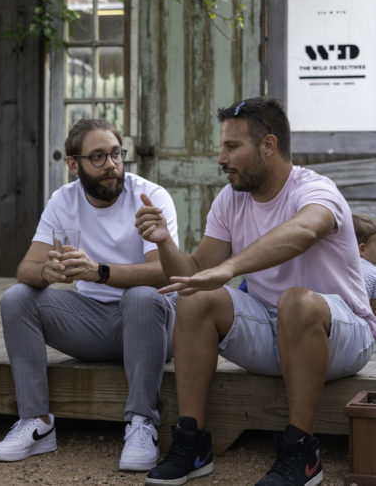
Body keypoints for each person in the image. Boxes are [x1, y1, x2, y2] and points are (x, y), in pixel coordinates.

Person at [135, 97, 376, 486]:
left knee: (296, 301)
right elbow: (194, 273)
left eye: (232, 147)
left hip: (343, 336)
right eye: (222, 147)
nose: (220, 158)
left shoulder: (316, 190)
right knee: (194, 295)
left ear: (268, 145)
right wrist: (164, 243)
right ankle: (192, 443)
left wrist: (229, 268)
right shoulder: (231, 199)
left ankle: (302, 453)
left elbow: (302, 232)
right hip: (271, 330)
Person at [0, 118, 179, 472]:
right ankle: (37, 422)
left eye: (116, 154)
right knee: (17, 298)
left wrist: (100, 272)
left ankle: (142, 423)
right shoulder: (63, 200)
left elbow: (166, 274)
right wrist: (47, 272)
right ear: (73, 164)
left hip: (151, 325)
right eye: (99, 157)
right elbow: (25, 269)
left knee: (140, 297)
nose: (111, 165)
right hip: (92, 321)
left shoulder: (150, 196)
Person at [353, 213, 376, 315]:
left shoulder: (336, 267)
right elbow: (374, 308)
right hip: (360, 322)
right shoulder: (373, 271)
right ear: (362, 249)